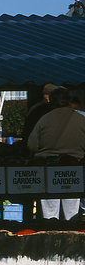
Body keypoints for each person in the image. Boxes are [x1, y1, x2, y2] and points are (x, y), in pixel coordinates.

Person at [28, 87, 85, 220]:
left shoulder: (44, 119)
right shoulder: (81, 119)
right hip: (73, 168)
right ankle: (72, 237)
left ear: (51, 102)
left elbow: (32, 145)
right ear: (68, 101)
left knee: (50, 213)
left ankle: (50, 236)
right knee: (72, 213)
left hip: (48, 168)